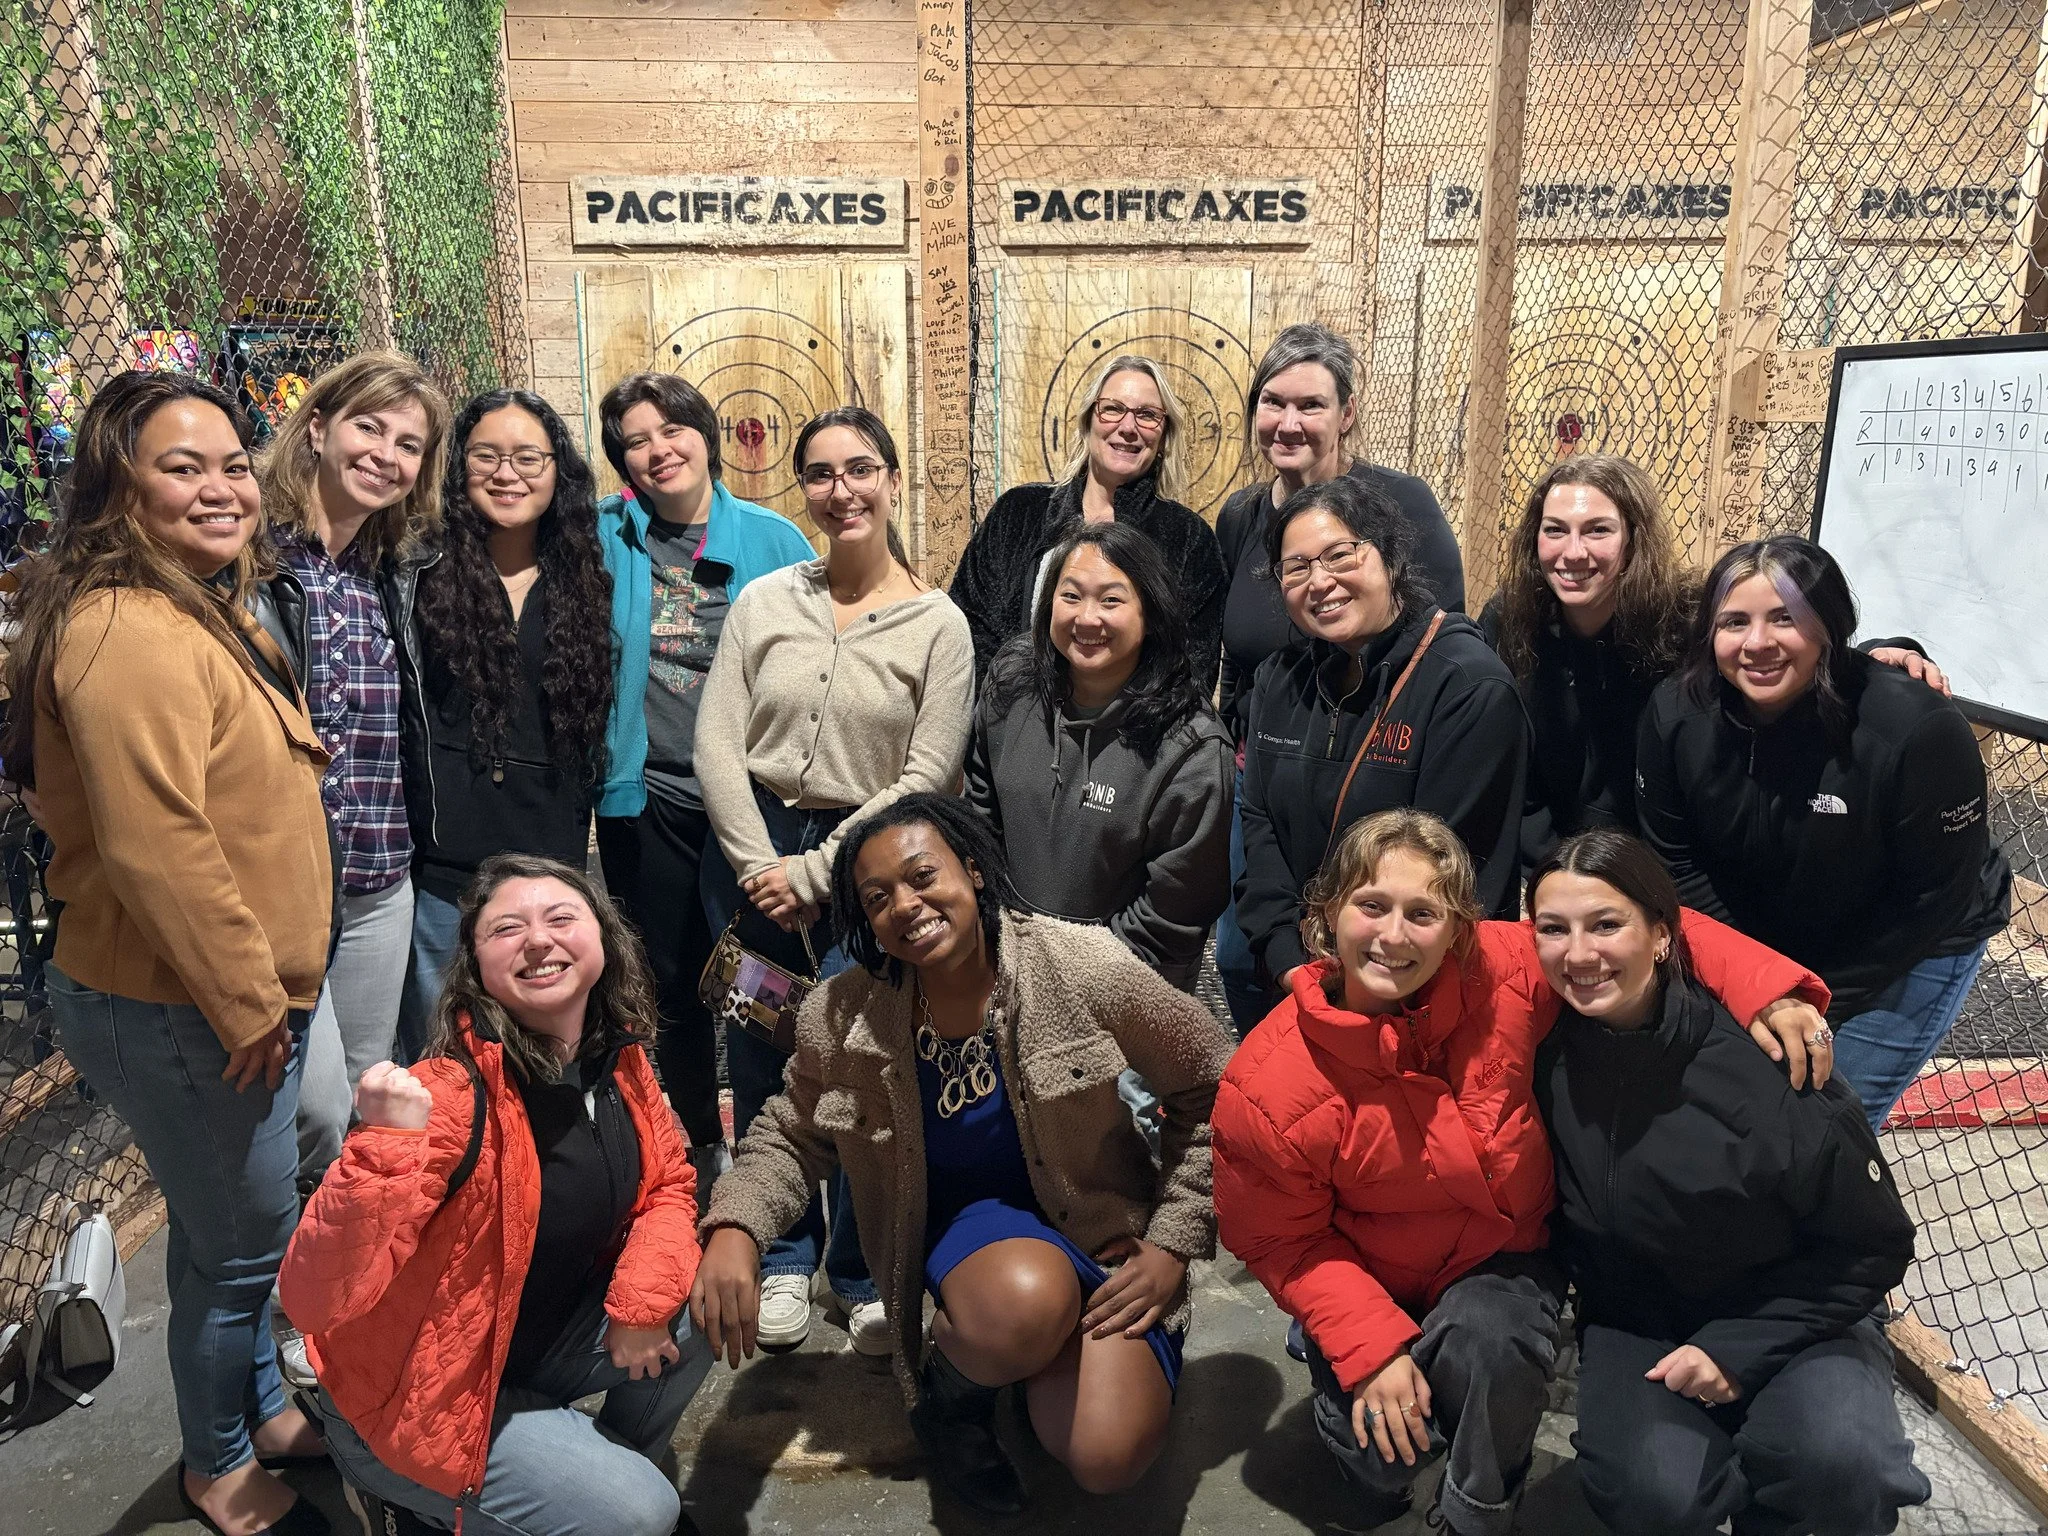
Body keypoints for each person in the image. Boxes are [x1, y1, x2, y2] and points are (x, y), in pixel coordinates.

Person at [1211, 809, 1834, 1536]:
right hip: (1367, 1277)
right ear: (1326, 918)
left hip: (1497, 1263)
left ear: (1458, 929)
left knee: (1491, 1339)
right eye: (1371, 906)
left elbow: (1657, 929)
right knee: (1383, 1458)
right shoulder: (1268, 1082)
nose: (1392, 935)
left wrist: (1772, 992)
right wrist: (1370, 1349)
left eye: (1423, 913)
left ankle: (1475, 1512)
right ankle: (1350, 1414)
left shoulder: (1502, 972)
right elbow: (1282, 1241)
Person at [691, 795, 1236, 1515]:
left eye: (923, 876)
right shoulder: (841, 1013)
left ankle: (1024, 1356)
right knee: (1023, 1299)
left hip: (1102, 1234)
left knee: (1106, 1456)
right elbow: (791, 1134)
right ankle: (951, 1403)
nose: (906, 905)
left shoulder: (1079, 964)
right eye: (877, 897)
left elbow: (1217, 1087)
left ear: (973, 870)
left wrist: (1172, 1243)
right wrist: (734, 1227)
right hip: (971, 1242)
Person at [5, 372, 334, 1536]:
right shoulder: (125, 627)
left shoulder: (188, 601)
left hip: (211, 996)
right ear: (116, 486)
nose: (221, 486)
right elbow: (158, 849)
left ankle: (253, 1416)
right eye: (181, 466)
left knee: (228, 1234)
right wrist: (250, 1002)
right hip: (191, 1002)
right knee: (240, 1252)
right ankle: (216, 1465)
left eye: (234, 463)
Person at [280, 854, 710, 1536]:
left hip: (522, 1347)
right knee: (641, 1513)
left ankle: (591, 1491)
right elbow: (312, 1300)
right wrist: (381, 1154)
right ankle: (408, 1496)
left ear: (603, 938)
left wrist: (640, 1305)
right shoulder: (446, 1097)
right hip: (416, 1397)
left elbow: (668, 1186)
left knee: (705, 1301)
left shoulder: (616, 1057)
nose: (539, 939)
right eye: (508, 928)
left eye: (562, 917)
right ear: (476, 967)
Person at [1528, 829, 1928, 1536]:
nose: (1579, 953)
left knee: (1842, 1466)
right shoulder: (1537, 1048)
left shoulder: (1772, 1068)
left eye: (1607, 924)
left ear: (1661, 936)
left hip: (1795, 1308)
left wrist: (1737, 1347)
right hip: (1638, 1317)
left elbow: (1872, 1244)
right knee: (1653, 1494)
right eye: (1554, 929)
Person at [695, 406, 974, 1355]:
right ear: (802, 489)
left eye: (861, 470)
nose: (841, 490)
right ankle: (780, 1260)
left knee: (865, 1064)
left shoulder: (939, 624)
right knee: (766, 1055)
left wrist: (820, 871)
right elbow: (717, 745)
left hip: (874, 868)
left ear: (893, 482)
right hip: (750, 855)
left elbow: (927, 770)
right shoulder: (764, 602)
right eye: (820, 474)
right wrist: (757, 866)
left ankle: (859, 1269)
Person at [1636, 534, 2012, 1129]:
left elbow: (1930, 898)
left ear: (1829, 627)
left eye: (1784, 618)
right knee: (1728, 1108)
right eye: (1734, 622)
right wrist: (1761, 978)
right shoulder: (1677, 714)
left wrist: (1811, 997)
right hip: (1775, 923)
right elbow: (1676, 860)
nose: (1757, 643)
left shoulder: (1915, 729)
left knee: (1820, 1126)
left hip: (1910, 939)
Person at [1486, 455, 1948, 868]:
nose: (1573, 552)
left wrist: (1882, 652)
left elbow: (1791, 648)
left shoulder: (1687, 620)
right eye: (1555, 530)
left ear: (1633, 539)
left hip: (1661, 859)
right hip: (1546, 861)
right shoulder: (1509, 620)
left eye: (1597, 530)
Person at [593, 372, 815, 1189]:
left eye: (672, 429)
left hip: (753, 808)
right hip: (645, 799)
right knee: (672, 987)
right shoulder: (606, 535)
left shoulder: (771, 539)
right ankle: (698, 1146)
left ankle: (780, 1151)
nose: (659, 450)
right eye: (636, 440)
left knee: (761, 985)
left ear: (706, 436)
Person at [1213, 324, 1465, 1033]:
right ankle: (1280, 1079)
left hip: (1372, 759)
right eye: (1273, 402)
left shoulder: (1401, 506)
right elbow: (1233, 655)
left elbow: (1438, 642)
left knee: (1363, 958)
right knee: (1244, 952)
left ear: (1346, 414)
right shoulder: (1241, 517)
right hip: (1263, 768)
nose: (1288, 423)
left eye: (1311, 405)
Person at [1234, 474, 1526, 1027]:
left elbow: (1451, 876)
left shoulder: (1466, 687)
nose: (1319, 582)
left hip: (1412, 994)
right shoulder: (1278, 680)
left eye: (1340, 556)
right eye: (1296, 568)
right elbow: (1261, 825)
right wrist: (1287, 962)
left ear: (1389, 557)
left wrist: (1354, 987)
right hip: (1300, 979)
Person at [258, 350, 450, 1185]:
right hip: (288, 878)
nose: (386, 454)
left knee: (368, 1089)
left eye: (408, 445)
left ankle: (343, 1290)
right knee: (315, 1104)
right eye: (369, 427)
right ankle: (282, 1277)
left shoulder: (391, 571)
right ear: (318, 428)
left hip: (381, 869)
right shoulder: (255, 561)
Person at [395, 390, 613, 1056]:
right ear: (459, 467)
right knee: (444, 1063)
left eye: (527, 457)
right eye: (486, 455)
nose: (506, 473)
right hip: (444, 874)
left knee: (544, 1058)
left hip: (550, 873)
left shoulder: (590, 575)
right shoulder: (417, 569)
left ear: (558, 470)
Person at [965, 520, 1233, 993]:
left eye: (1111, 600)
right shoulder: (1011, 685)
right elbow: (980, 808)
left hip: (1129, 990)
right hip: (1008, 963)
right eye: (1071, 596)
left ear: (1151, 615)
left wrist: (1068, 977)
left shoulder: (1190, 748)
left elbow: (1175, 908)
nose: (1087, 619)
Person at [948, 354, 1227, 693]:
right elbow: (969, 626)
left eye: (1147, 415)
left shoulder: (1188, 539)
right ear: (1088, 421)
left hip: (1134, 740)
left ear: (1164, 435)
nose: (1128, 427)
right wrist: (1006, 715)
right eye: (1112, 409)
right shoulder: (1018, 514)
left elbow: (1193, 669)